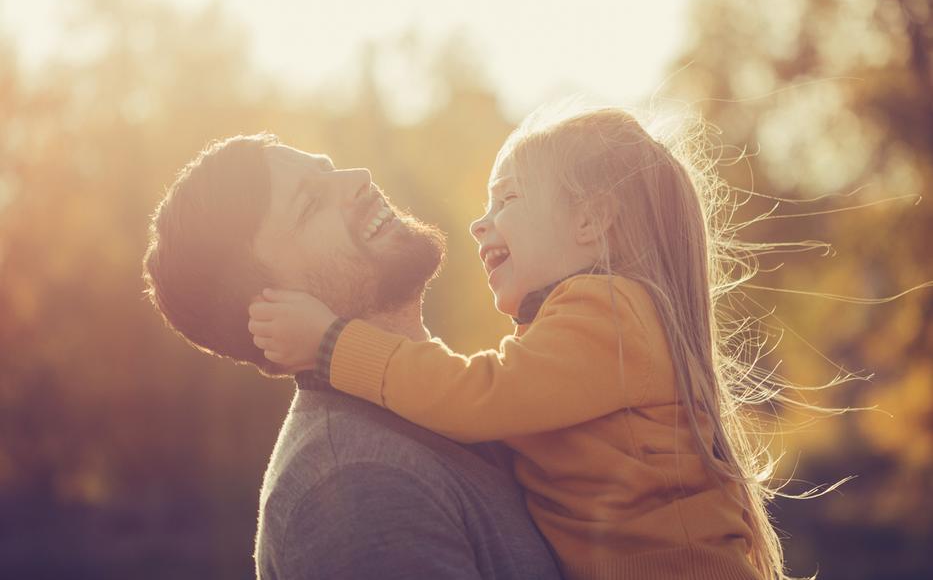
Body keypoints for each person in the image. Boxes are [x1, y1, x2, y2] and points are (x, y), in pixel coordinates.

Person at [248, 107, 785, 579]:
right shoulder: (351, 478)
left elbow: (471, 395)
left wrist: (333, 345)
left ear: (589, 219)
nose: (481, 225)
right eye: (309, 204)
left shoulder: (612, 315)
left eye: (506, 200)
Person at [142, 134, 563, 579]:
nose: (357, 179)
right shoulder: (355, 482)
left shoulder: (457, 402)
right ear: (270, 307)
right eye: (309, 204)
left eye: (328, 167)